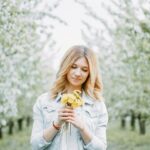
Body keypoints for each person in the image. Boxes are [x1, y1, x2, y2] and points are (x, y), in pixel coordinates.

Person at [30, 45, 108, 150]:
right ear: (66, 66)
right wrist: (56, 124)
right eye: (73, 67)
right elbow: (35, 145)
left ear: (90, 73)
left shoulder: (97, 105)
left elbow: (101, 148)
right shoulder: (44, 101)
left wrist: (83, 128)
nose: (77, 73)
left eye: (84, 70)